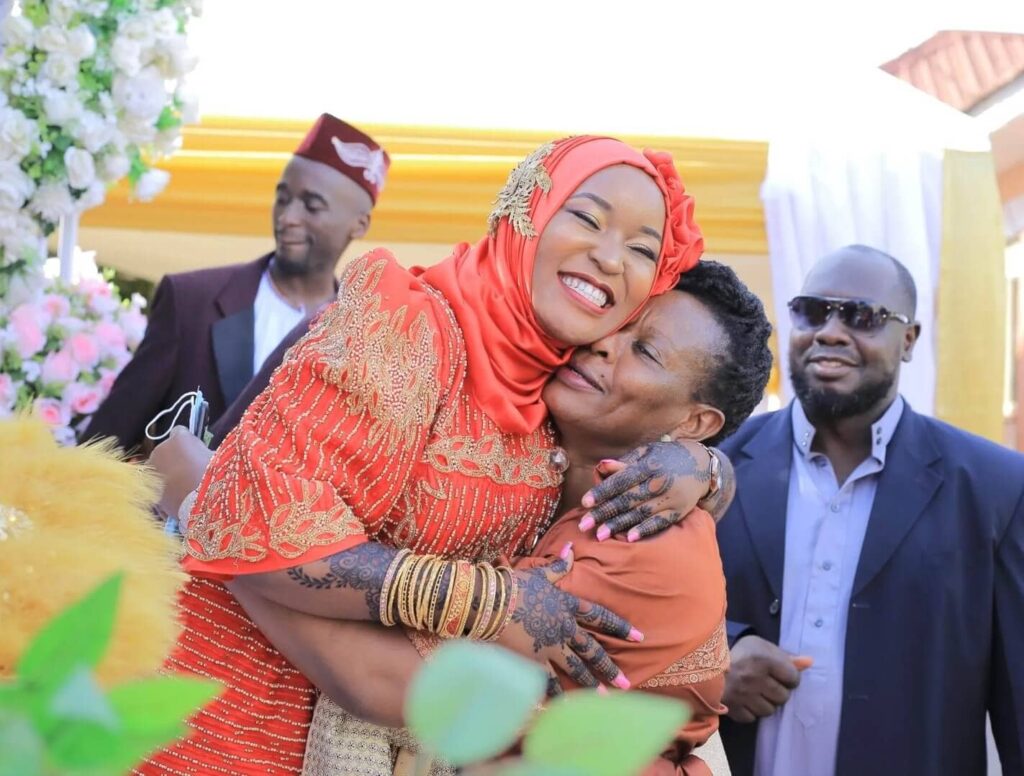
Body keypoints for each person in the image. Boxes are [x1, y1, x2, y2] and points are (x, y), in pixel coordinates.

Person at [139, 136, 716, 776]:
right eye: (586, 217)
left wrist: (706, 467)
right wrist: (494, 602)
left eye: (642, 249)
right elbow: (255, 526)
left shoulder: (552, 390)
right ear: (525, 211)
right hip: (215, 715)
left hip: (353, 748)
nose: (610, 257)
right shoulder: (405, 324)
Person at [715, 245, 1024, 776]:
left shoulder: (994, 488)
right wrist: (716, 658)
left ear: (909, 340)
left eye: (863, 317)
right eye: (813, 311)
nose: (831, 332)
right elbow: (641, 612)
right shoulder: (713, 466)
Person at [82, 113, 387, 452]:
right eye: (282, 198)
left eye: (311, 206)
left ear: (359, 225)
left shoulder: (363, 340)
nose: (287, 217)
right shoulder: (191, 301)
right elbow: (102, 446)